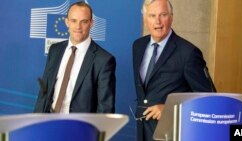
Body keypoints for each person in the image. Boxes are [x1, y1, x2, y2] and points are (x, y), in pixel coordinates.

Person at [132, 0, 216, 140]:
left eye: (163, 15)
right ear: (145, 20)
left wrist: (170, 109)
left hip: (172, 133)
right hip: (142, 131)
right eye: (152, 15)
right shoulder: (138, 46)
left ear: (171, 17)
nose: (157, 21)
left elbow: (209, 98)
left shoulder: (188, 53)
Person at [34, 1, 116, 113]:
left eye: (84, 21)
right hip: (49, 122)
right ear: (67, 22)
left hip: (79, 127)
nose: (78, 27)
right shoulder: (55, 50)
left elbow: (105, 107)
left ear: (91, 23)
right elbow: (44, 92)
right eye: (73, 21)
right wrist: (36, 122)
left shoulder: (104, 60)